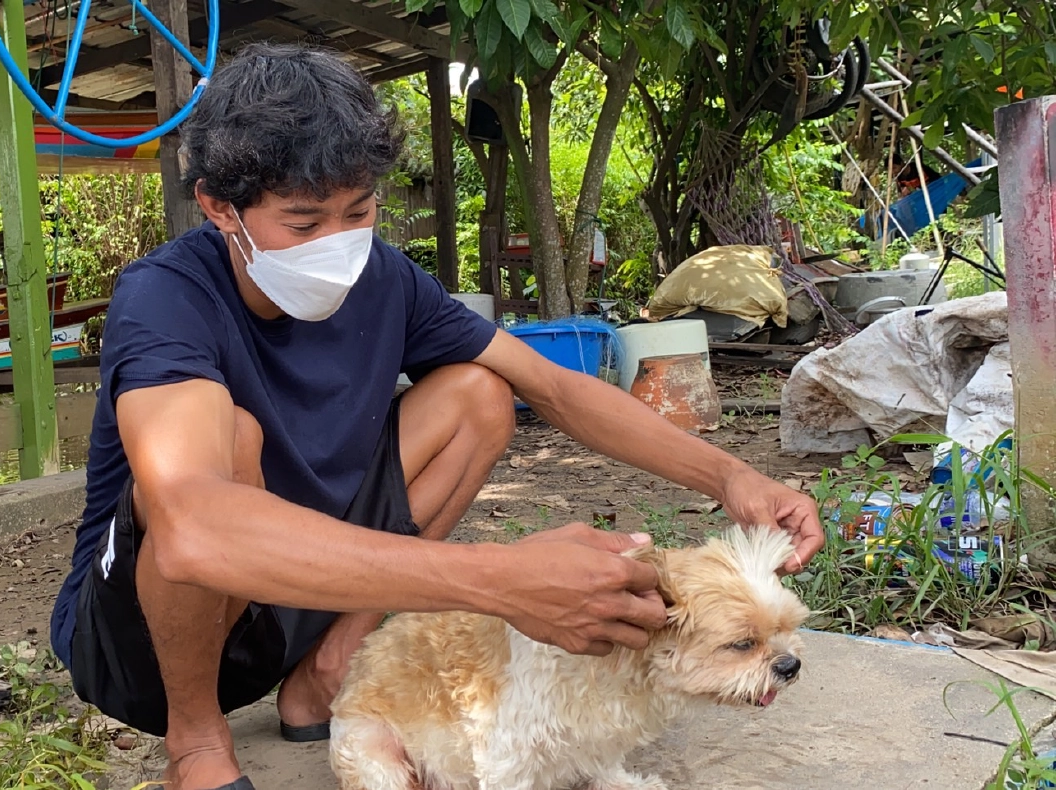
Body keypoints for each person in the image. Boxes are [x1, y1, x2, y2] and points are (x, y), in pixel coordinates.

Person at [49, 43, 824, 790]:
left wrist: (732, 475)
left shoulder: (384, 278)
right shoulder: (165, 297)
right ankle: (196, 741)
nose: (340, 244)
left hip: (297, 597)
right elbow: (193, 525)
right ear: (221, 209)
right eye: (304, 222)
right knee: (224, 449)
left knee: (477, 394)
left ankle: (325, 673)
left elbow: (552, 388)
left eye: (360, 211)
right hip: (146, 642)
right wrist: (499, 581)